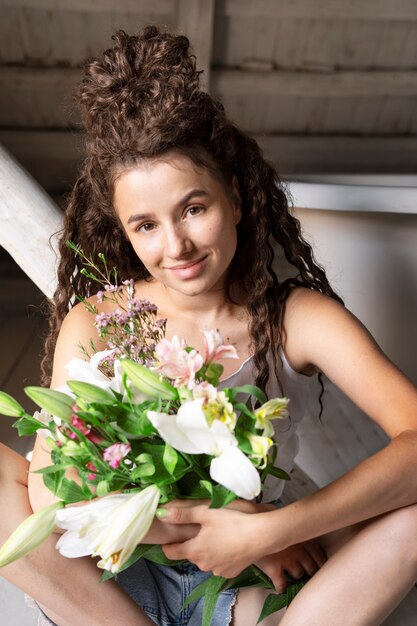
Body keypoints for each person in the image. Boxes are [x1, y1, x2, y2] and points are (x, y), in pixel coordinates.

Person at [2, 24, 416, 625]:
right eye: (145, 225)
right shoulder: (102, 320)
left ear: (238, 200)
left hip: (247, 587)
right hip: (114, 588)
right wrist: (214, 522)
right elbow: (51, 492)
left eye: (194, 208)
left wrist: (273, 530)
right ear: (124, 231)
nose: (176, 246)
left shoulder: (294, 319)